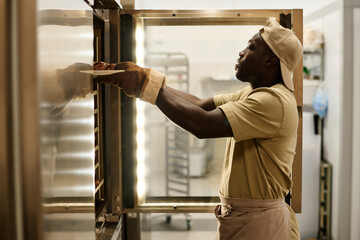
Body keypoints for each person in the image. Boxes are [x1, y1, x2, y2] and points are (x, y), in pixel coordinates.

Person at [95, 19, 302, 240]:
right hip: (247, 217)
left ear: (270, 61)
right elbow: (201, 104)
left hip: (261, 224)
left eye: (251, 48)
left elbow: (202, 124)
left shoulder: (272, 101)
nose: (241, 53)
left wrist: (143, 86)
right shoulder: (253, 94)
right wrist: (149, 78)